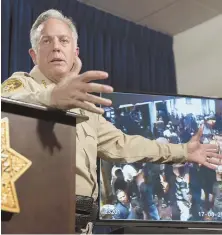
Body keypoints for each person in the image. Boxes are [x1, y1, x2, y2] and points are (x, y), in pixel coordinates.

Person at [1, 9, 222, 234]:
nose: (56, 46)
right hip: (33, 223)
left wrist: (183, 151)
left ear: (75, 52)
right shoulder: (21, 85)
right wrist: (50, 98)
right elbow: (6, 108)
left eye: (63, 40)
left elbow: (124, 144)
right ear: (33, 55)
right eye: (46, 41)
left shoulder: (86, 108)